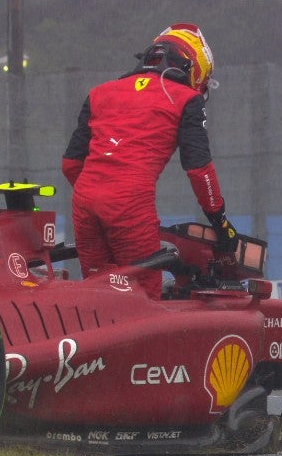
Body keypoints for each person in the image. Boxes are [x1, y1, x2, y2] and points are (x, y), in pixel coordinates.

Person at [61, 23, 237, 299]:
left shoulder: (100, 92)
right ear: (193, 67)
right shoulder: (186, 99)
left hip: (84, 202)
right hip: (130, 204)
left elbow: (70, 164)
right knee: (144, 304)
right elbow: (199, 171)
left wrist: (98, 192)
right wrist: (221, 223)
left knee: (97, 300)